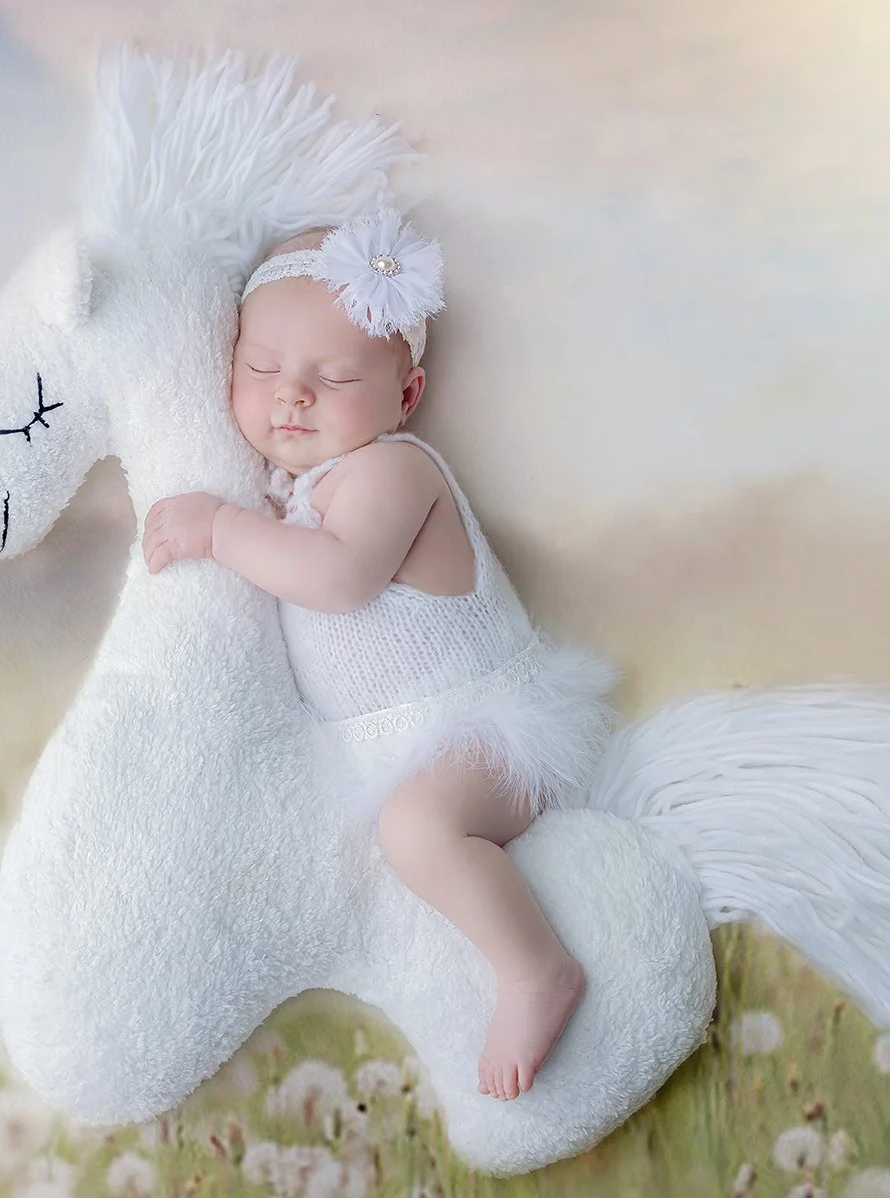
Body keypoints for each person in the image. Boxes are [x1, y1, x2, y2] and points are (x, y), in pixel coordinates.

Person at [140, 208, 618, 1101]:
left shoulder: (392, 472)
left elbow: (340, 577)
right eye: (262, 369)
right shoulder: (299, 488)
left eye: (333, 376)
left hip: (494, 733)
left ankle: (537, 971)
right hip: (412, 747)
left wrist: (218, 525)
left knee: (416, 829)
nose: (292, 395)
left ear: (405, 395)